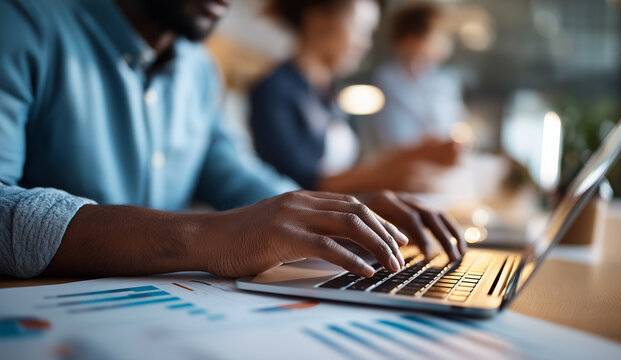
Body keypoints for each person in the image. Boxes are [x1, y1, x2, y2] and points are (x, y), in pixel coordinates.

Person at [0, 0, 465, 280]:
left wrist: (343, 211)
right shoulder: (21, 23)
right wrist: (205, 237)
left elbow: (240, 176)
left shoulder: (199, 71)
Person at [250, 0, 460, 194]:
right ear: (317, 20)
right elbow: (296, 183)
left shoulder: (328, 97)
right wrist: (383, 176)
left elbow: (346, 170)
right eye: (360, 31)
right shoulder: (274, 90)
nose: (366, 44)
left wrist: (415, 155)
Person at [364, 3, 466, 154]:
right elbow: (395, 139)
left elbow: (454, 129)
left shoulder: (445, 82)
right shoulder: (386, 81)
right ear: (410, 38)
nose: (446, 43)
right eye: (438, 35)